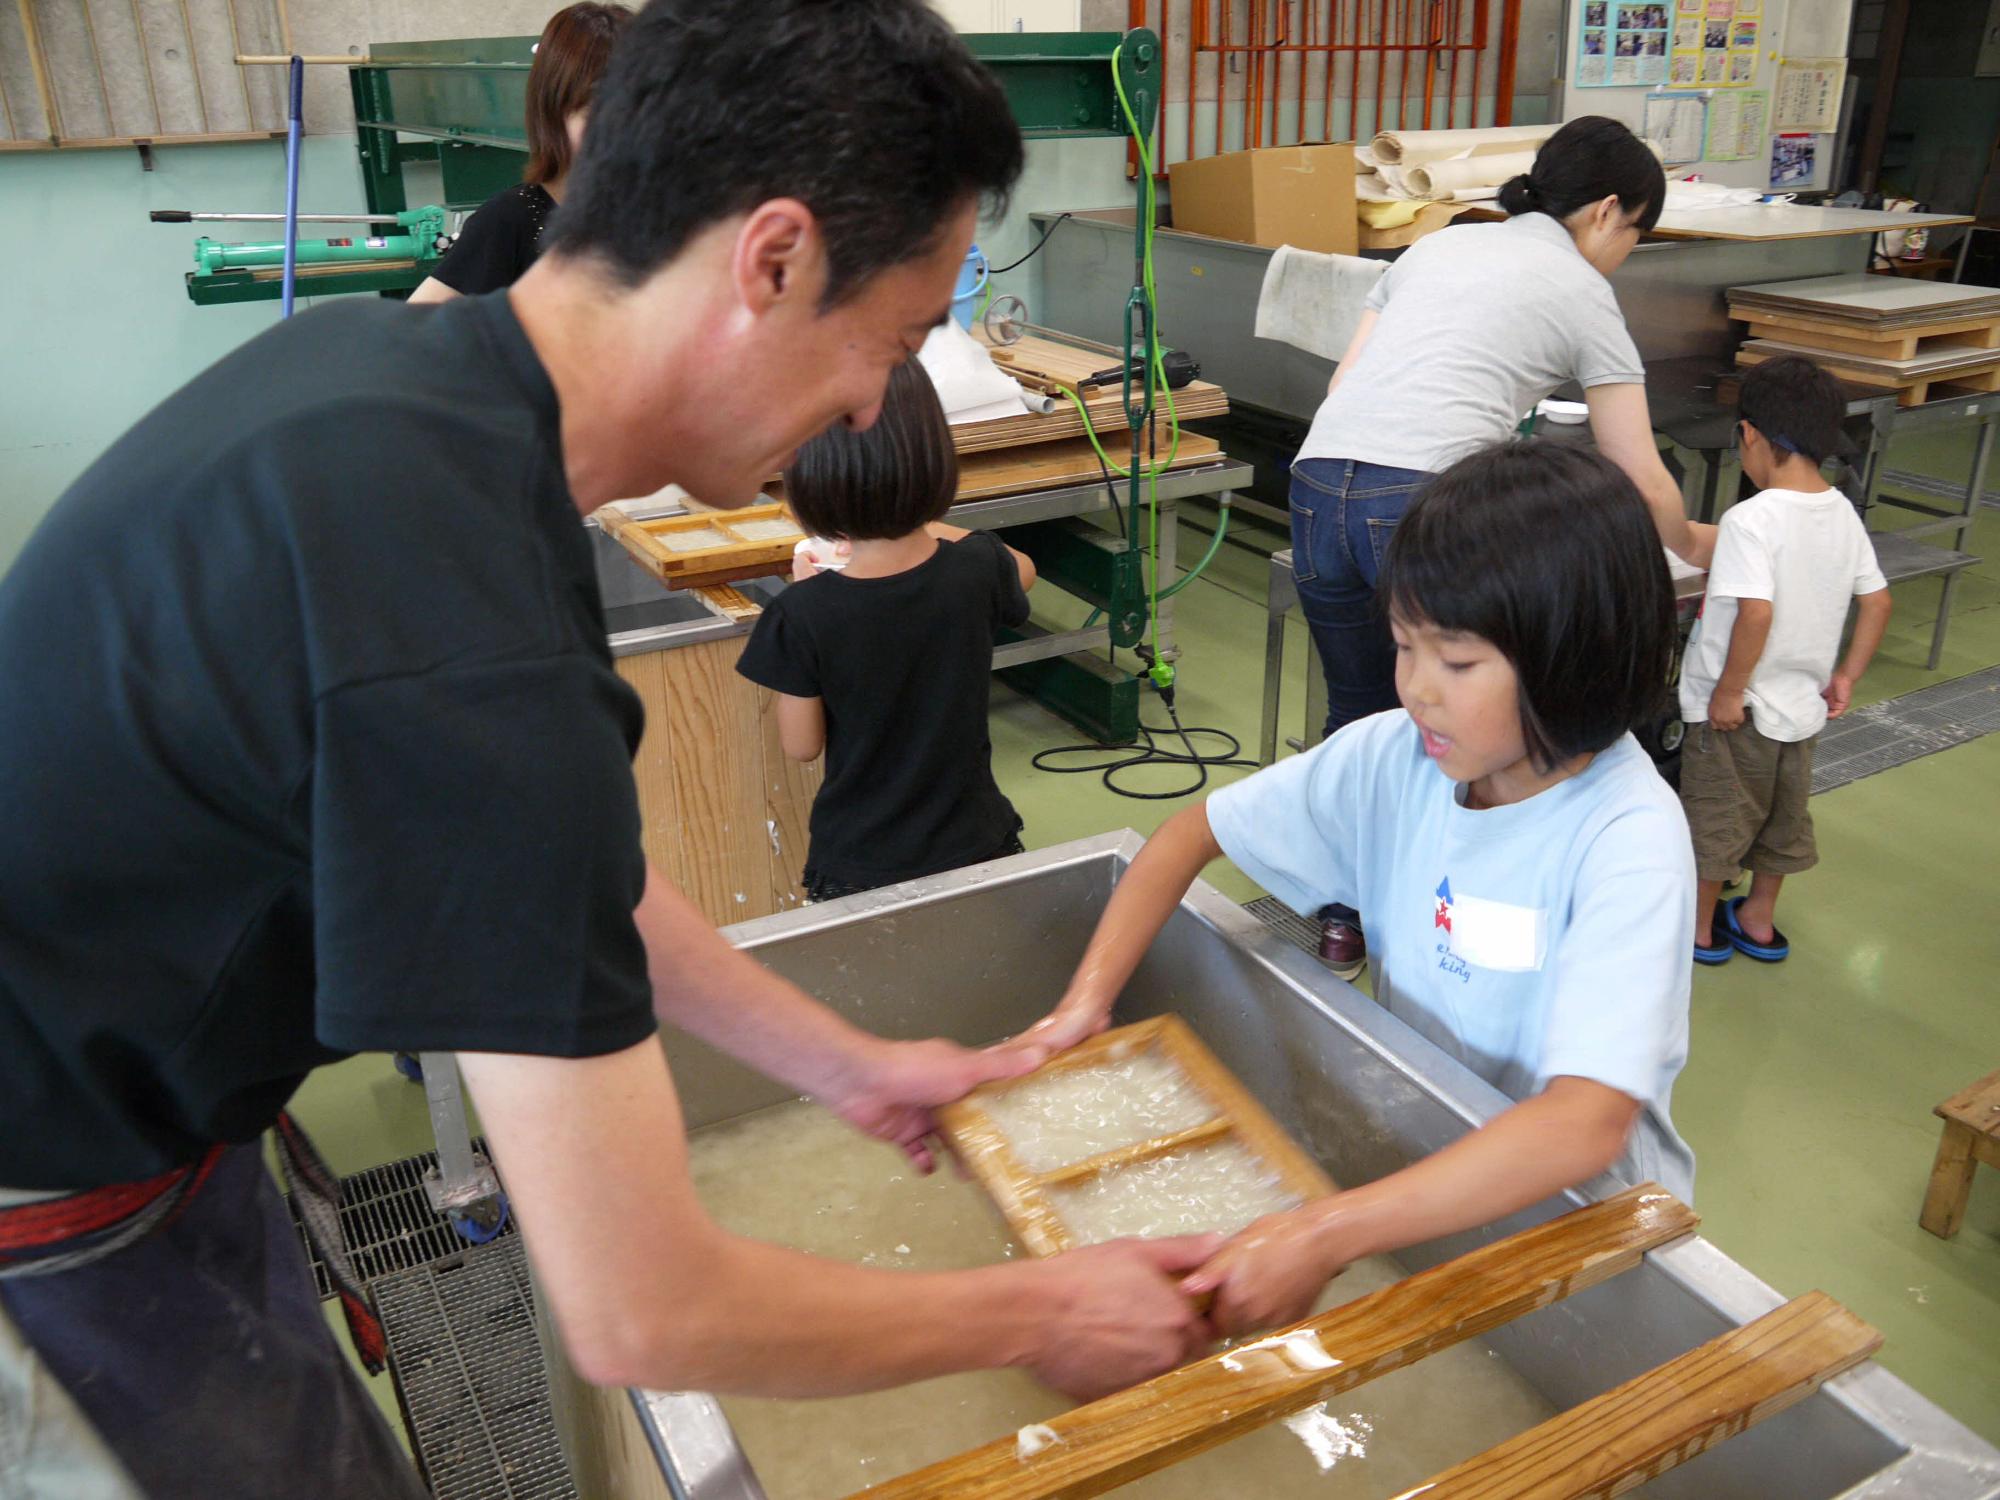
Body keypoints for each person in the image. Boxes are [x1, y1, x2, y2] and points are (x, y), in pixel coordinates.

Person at [0, 6, 1221, 1496]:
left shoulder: (402, 383)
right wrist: (1040, 1311)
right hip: (49, 1213)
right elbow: (645, 1311)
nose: (870, 404)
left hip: (130, 1112)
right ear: (772, 260)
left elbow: (573, 876)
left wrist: (844, 1064)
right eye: (895, 342)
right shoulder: (459, 634)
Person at [1027, 442, 1696, 1336]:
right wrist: (1083, 1008)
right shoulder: (1393, 759)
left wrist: (1324, 1231)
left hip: (1582, 1218)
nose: (1417, 689)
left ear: (1572, 657)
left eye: (1457, 663)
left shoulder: (1626, 840)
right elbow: (1190, 835)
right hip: (1431, 1164)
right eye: (1404, 646)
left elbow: (1583, 1125)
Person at [1289, 115, 1713, 976]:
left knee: (1357, 714)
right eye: (1635, 234)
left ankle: (1340, 918)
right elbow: (1638, 472)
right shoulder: (1582, 291)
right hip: (1415, 502)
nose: (1625, 252)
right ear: (1607, 211)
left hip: (1314, 483)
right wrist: (1693, 544)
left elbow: (1343, 381)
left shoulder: (1439, 245)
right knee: (1448, 724)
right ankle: (1432, 918)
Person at [738, 359, 1038, 901]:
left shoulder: (802, 613)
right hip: (977, 838)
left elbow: (801, 746)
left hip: (863, 859)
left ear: (810, 480)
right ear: (933, 457)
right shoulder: (977, 569)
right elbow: (1022, 568)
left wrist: (808, 595)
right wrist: (918, 520)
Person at [1678, 356, 1892, 966]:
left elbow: (1756, 614)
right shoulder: (1841, 511)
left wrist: (1728, 691)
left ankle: (1697, 930)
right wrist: (1846, 676)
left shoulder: (1750, 519)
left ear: (1749, 434)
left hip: (1738, 712)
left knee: (1717, 819)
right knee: (1783, 817)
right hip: (1802, 707)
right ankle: (1759, 918)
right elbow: (1878, 601)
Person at [405, 2, 631, 303]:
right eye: (594, 111)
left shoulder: (664, 215)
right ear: (553, 112)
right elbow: (414, 324)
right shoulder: (510, 220)